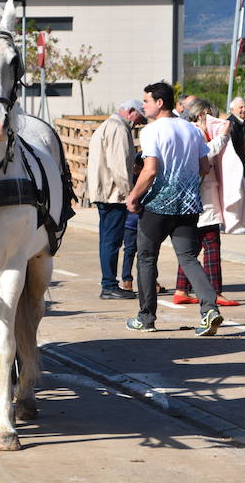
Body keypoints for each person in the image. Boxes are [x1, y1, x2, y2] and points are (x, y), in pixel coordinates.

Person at [125, 82, 224, 336]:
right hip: (188, 206)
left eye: (146, 101)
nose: (143, 105)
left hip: (158, 206)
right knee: (189, 258)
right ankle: (209, 309)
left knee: (146, 258)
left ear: (159, 103)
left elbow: (150, 170)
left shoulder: (152, 131)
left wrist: (134, 197)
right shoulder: (192, 130)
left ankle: (146, 318)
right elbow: (205, 167)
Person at [172, 99, 238, 306]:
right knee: (211, 244)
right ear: (202, 115)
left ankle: (182, 289)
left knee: (191, 247)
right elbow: (205, 154)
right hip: (202, 199)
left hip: (197, 198)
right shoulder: (195, 132)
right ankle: (215, 292)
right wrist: (223, 136)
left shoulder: (189, 131)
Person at [85, 99, 145, 299]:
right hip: (113, 194)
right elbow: (119, 167)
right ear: (130, 111)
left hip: (105, 192)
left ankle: (109, 283)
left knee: (107, 240)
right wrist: (132, 195)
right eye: (139, 117)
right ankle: (109, 285)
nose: (138, 123)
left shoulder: (107, 126)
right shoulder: (118, 128)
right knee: (111, 240)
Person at [120, 154, 144, 292]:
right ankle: (127, 280)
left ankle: (151, 281)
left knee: (146, 253)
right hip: (131, 223)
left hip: (141, 221)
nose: (135, 169)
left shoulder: (149, 180)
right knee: (130, 251)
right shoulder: (130, 182)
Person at [227, 96, 245, 177]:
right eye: (241, 107)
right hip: (234, 167)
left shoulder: (240, 123)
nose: (244, 110)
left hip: (240, 164)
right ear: (232, 110)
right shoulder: (232, 124)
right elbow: (231, 147)